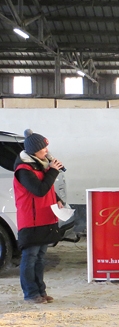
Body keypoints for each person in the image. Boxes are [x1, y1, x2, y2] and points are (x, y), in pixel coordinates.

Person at [13, 129, 65, 304]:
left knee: (41, 257)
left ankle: (40, 291)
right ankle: (30, 293)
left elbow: (47, 188)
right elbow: (39, 190)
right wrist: (53, 171)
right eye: (43, 148)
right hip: (31, 220)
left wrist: (58, 200)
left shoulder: (40, 165)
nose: (47, 151)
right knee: (30, 257)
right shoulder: (24, 169)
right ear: (34, 150)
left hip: (44, 217)